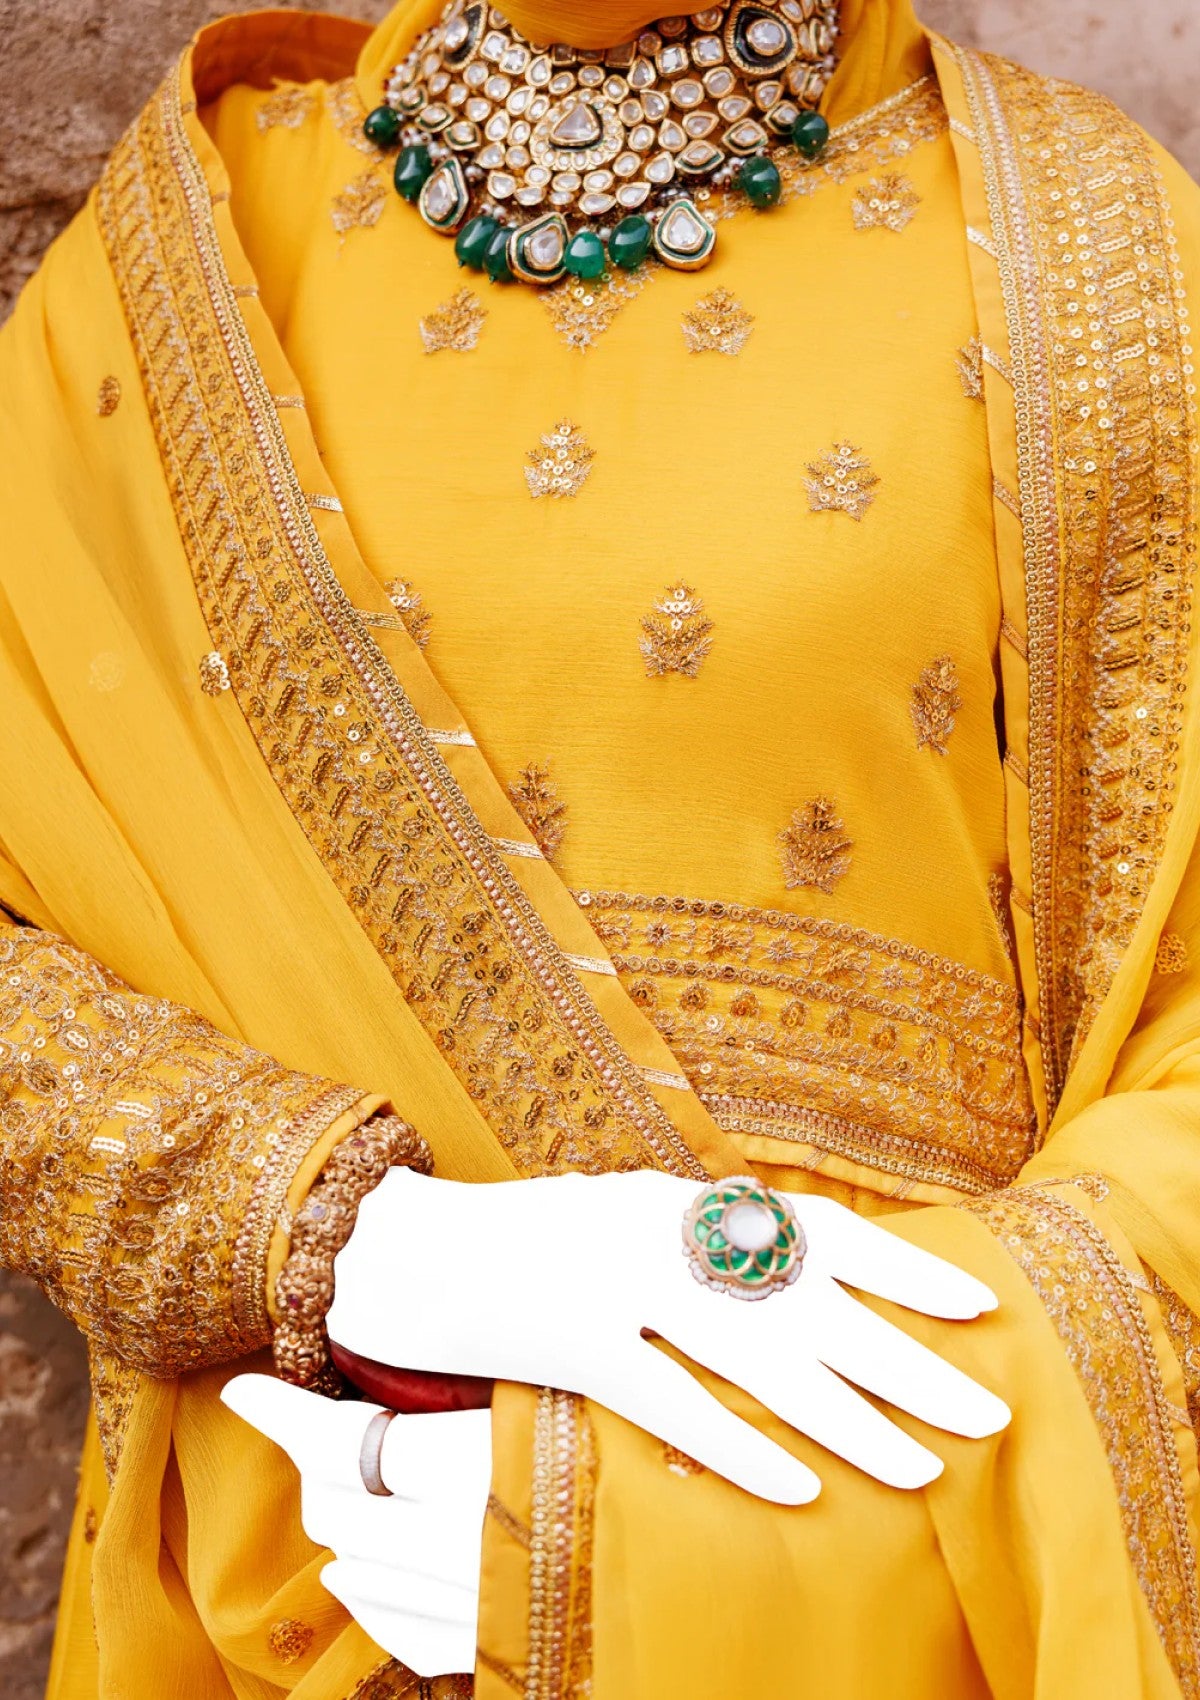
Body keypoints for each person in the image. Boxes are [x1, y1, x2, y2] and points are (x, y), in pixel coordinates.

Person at [2, 0, 1200, 1694]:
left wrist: (730, 1514)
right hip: (332, 1548)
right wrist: (363, 1239)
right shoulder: (175, 265)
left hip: (890, 1563)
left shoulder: (1107, 257)